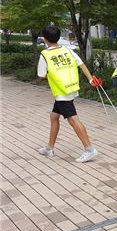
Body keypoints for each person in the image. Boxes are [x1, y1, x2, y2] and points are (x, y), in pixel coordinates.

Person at [37, 26, 101, 163]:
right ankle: (49, 148)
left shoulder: (45, 54)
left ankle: (90, 150)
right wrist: (90, 79)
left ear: (45, 39)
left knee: (73, 120)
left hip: (62, 92)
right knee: (54, 116)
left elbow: (41, 75)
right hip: (71, 88)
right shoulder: (67, 50)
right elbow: (81, 64)